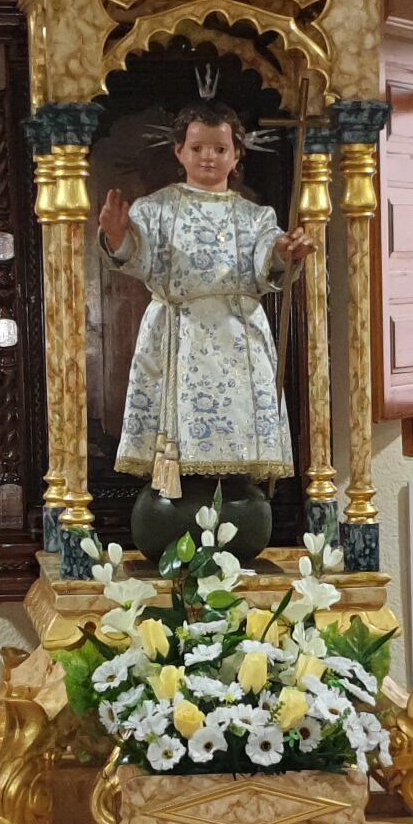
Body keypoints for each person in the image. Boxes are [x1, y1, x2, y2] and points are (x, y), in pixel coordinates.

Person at [103, 100, 316, 540]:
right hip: (177, 331)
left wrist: (282, 253)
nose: (208, 157)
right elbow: (134, 256)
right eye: (198, 146)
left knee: (238, 442)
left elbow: (267, 258)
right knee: (176, 445)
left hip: (238, 336)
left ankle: (235, 497)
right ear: (179, 150)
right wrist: (118, 235)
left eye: (219, 149)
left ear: (236, 155)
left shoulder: (255, 216)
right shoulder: (155, 208)